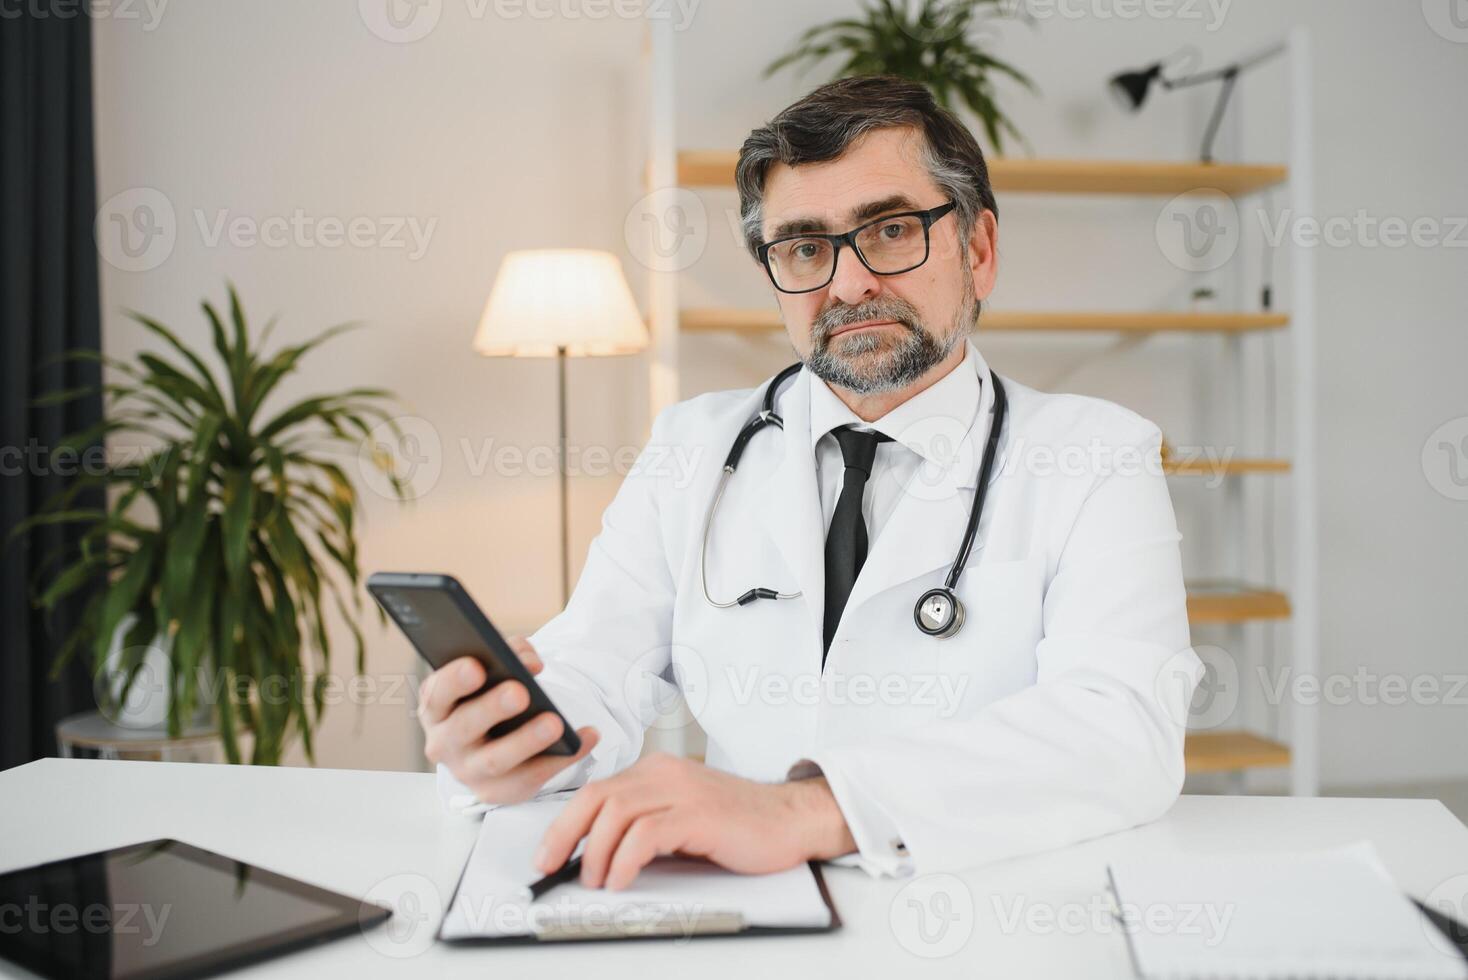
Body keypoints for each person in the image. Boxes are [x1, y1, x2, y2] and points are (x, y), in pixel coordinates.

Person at [417, 75, 1201, 890]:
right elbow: (596, 663)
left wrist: (803, 813)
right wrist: (519, 739)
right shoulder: (693, 446)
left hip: (986, 906)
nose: (849, 284)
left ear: (978, 250)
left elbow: (1122, 732)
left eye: (892, 231)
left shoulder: (1094, 456)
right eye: (804, 247)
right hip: (742, 912)